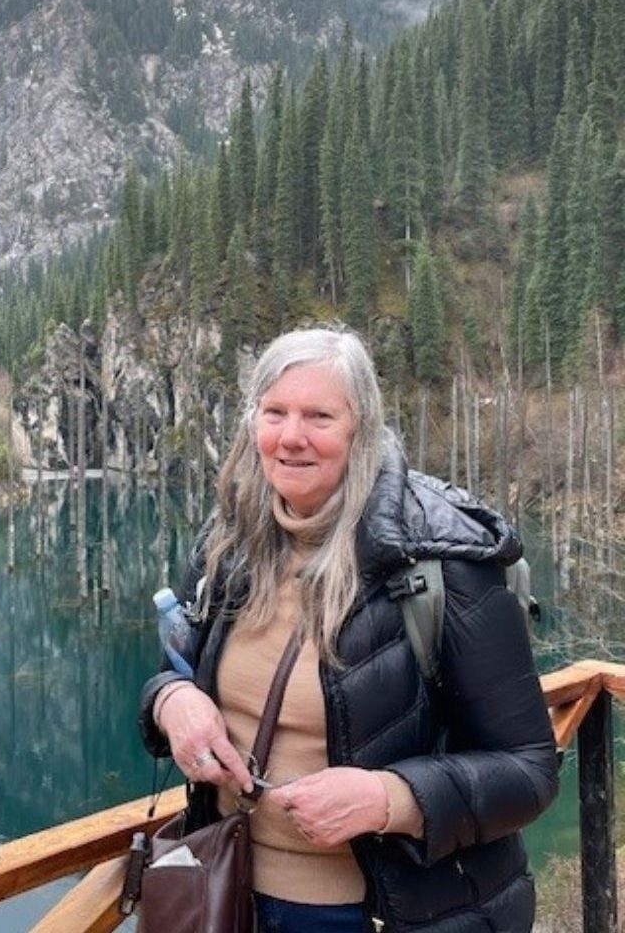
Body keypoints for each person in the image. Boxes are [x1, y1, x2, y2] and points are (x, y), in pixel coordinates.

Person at [139, 326, 557, 932]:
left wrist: (391, 799)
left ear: (361, 427)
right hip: (226, 892)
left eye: (319, 416)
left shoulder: (442, 560)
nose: (290, 437)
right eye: (274, 412)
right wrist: (171, 702)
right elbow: (173, 673)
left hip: (378, 914)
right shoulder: (228, 543)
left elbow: (529, 770)